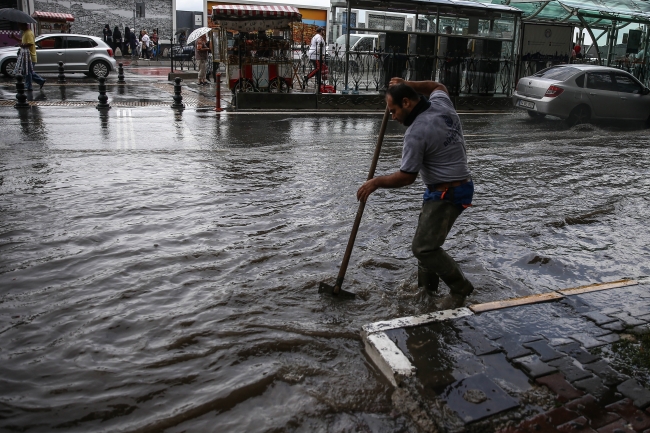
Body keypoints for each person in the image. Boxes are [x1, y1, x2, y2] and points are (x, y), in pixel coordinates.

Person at [356, 77, 475, 310]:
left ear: (407, 103)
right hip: (450, 188)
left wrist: (376, 182)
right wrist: (407, 82)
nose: (392, 117)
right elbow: (437, 86)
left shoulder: (416, 132)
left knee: (423, 247)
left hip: (448, 193)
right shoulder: (442, 104)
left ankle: (460, 288)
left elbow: (407, 176)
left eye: (393, 110)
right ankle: (427, 291)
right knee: (426, 245)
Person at [17, 23, 45, 91]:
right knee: (28, 71)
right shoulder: (25, 33)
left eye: (20, 25)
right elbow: (23, 41)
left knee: (27, 72)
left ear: (24, 25)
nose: (19, 26)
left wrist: (22, 45)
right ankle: (40, 81)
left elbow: (30, 43)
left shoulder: (28, 33)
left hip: (29, 56)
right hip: (26, 56)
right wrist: (14, 38)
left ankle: (29, 86)